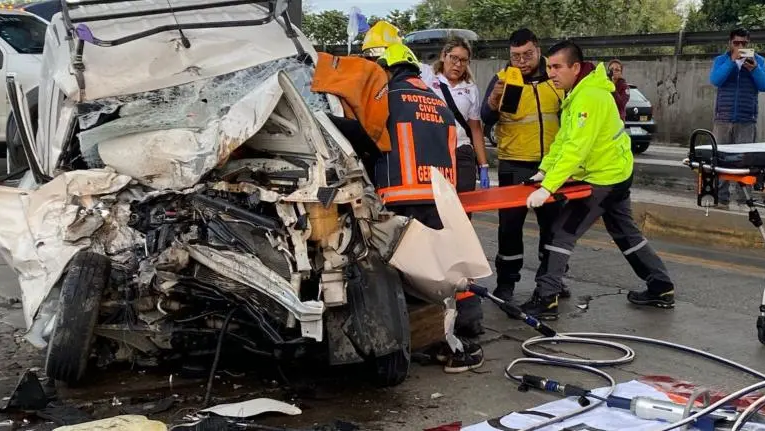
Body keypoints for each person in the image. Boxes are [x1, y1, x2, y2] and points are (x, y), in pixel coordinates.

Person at [521, 40, 675, 321]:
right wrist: (545, 170)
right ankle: (661, 286)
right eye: (549, 67)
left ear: (575, 67)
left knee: (561, 232)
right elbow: (563, 141)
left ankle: (546, 299)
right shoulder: (578, 93)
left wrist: (548, 188)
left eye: (557, 67)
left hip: (604, 179)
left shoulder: (588, 97)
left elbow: (576, 149)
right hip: (614, 173)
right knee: (626, 234)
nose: (551, 73)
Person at [375, 43, 484, 373]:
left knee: (399, 271)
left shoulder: (387, 97)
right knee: (441, 271)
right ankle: (451, 339)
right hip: (439, 198)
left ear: (388, 69)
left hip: (400, 198)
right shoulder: (438, 101)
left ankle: (410, 344)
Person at [480, 28, 566, 302]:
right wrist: (493, 101)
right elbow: (485, 118)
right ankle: (506, 284)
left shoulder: (555, 78)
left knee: (553, 228)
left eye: (527, 54)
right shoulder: (503, 79)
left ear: (538, 50)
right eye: (516, 56)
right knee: (509, 228)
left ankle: (552, 281)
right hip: (514, 165)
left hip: (552, 167)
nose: (522, 61)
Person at [420, 37, 490, 196]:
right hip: (433, 152)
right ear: (443, 56)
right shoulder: (427, 77)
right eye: (454, 58)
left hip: (462, 153)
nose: (458, 65)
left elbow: (475, 129)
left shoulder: (470, 89)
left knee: (464, 207)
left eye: (464, 60)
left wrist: (484, 166)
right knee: (436, 207)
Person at [709, 28, 765, 210]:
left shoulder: (759, 61)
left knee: (745, 162)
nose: (740, 47)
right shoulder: (721, 60)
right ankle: (721, 199)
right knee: (720, 160)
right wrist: (732, 62)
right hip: (723, 118)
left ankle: (744, 201)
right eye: (736, 43)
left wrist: (755, 69)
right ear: (730, 43)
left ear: (749, 44)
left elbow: (763, 85)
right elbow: (716, 80)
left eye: (744, 44)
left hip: (746, 119)